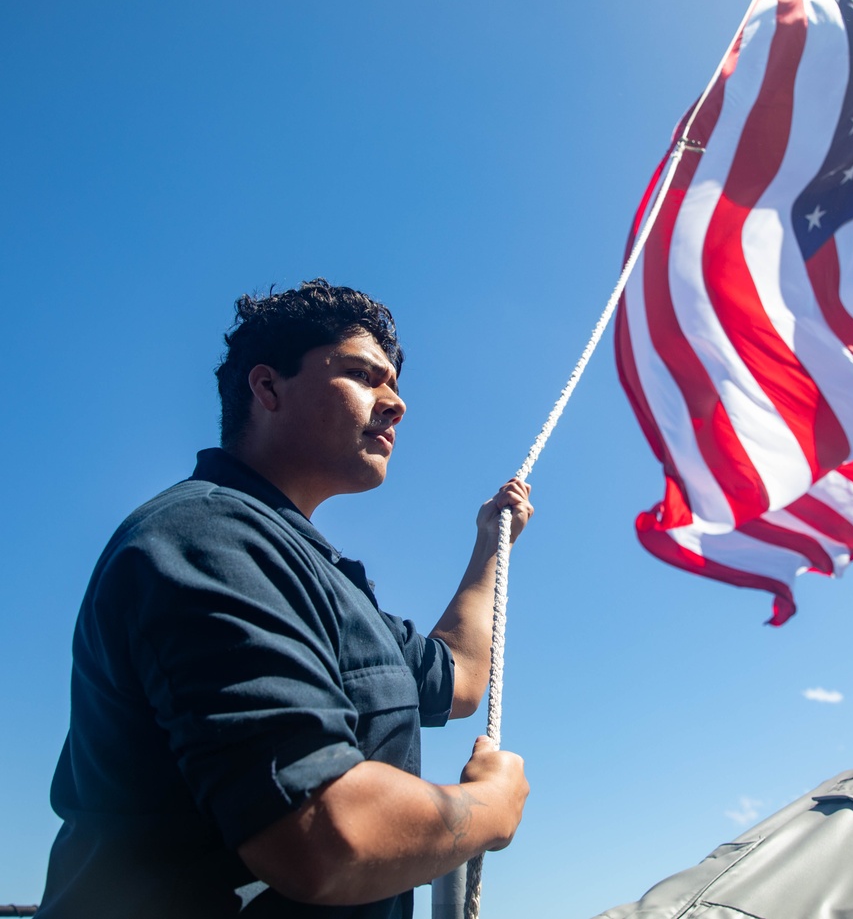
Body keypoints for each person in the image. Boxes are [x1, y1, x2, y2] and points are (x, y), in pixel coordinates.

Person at [38, 279, 533, 918]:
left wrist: (492, 541)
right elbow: (323, 837)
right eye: (363, 375)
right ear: (267, 388)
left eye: (396, 385)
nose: (396, 404)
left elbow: (462, 679)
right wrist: (488, 811)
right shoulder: (204, 539)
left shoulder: (318, 579)